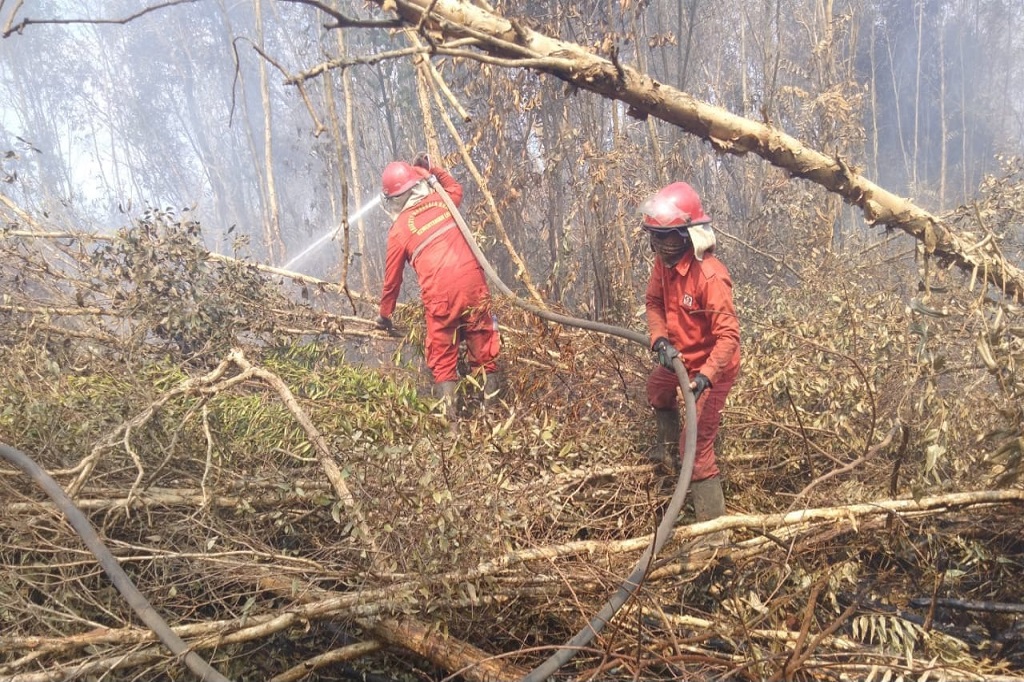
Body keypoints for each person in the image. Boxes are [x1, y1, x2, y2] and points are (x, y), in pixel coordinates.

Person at [640, 181, 740, 526]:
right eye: (653, 236)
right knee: (657, 389)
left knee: (695, 451)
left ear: (686, 235)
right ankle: (667, 455)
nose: (656, 244)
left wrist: (706, 377)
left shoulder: (710, 277)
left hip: (713, 368)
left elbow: (728, 337)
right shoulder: (663, 264)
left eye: (663, 237)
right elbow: (653, 302)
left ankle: (714, 538)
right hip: (680, 357)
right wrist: (660, 340)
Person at [375, 154, 501, 419]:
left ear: (393, 200)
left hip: (441, 298)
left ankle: (453, 428)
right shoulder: (443, 201)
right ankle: (490, 418)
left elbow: (392, 281)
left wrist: (385, 314)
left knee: (443, 359)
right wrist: (431, 169)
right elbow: (456, 187)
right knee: (485, 350)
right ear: (417, 184)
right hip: (473, 286)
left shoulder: (399, 230)